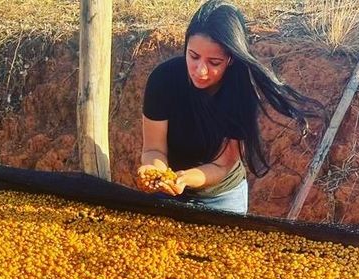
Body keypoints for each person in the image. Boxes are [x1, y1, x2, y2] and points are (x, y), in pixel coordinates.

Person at [136, 0, 321, 214]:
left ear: (230, 59)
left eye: (214, 62)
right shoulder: (163, 79)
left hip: (221, 197)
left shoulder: (241, 91)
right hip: (167, 190)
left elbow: (222, 165)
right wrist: (156, 173)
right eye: (193, 56)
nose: (200, 70)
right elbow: (153, 149)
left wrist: (185, 178)